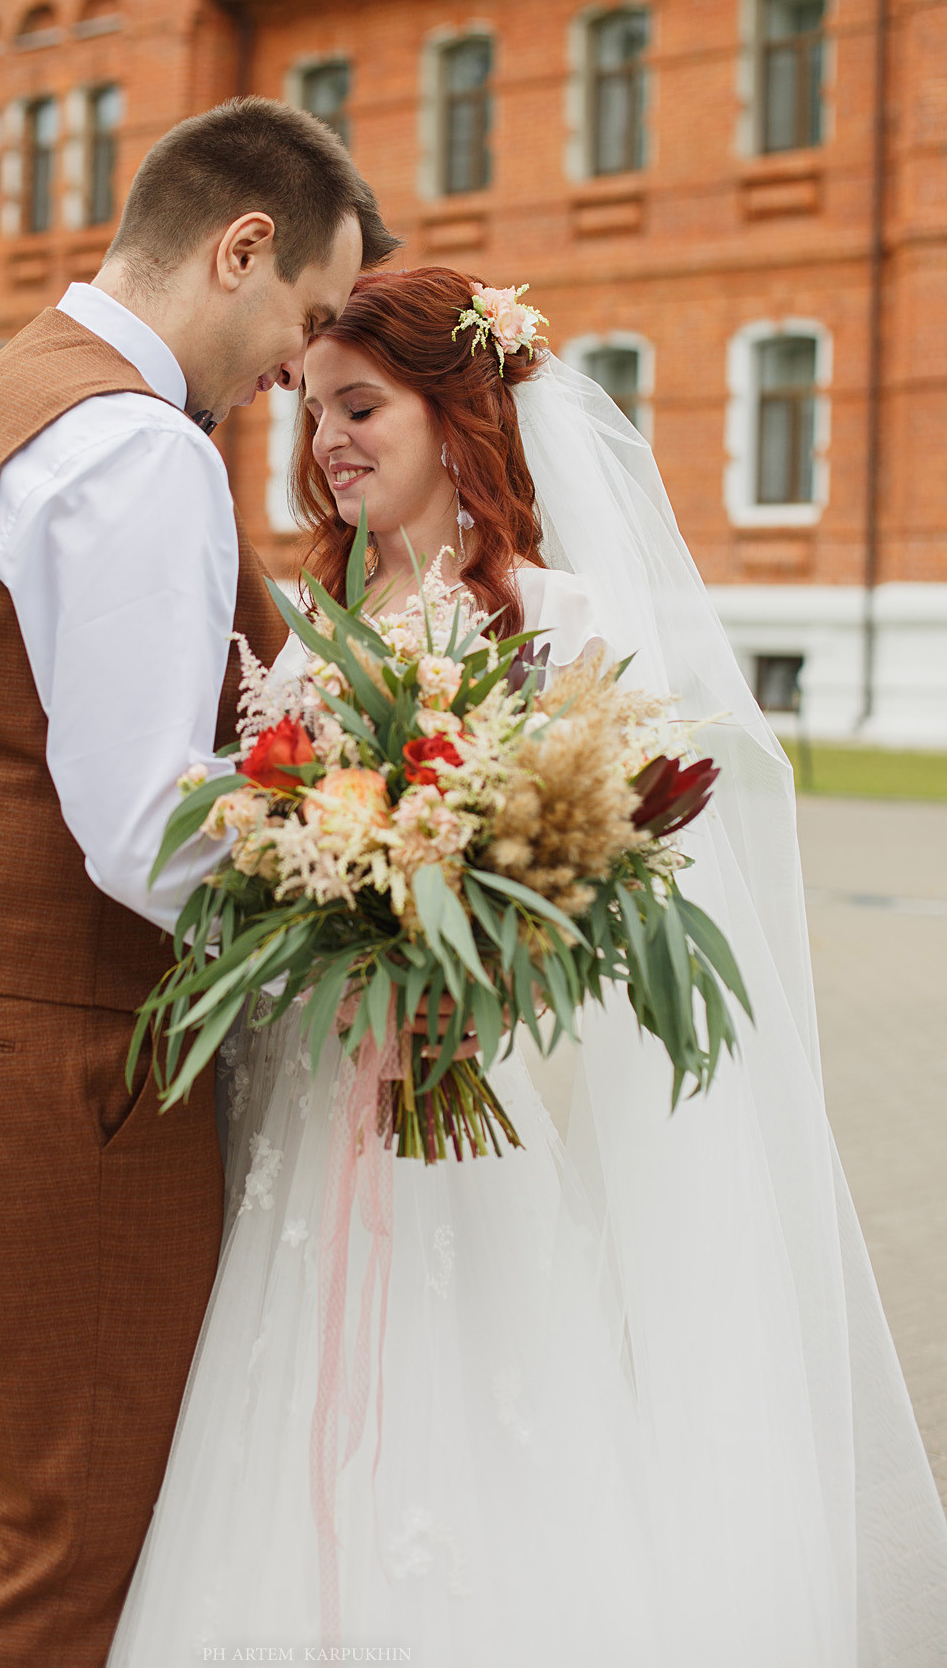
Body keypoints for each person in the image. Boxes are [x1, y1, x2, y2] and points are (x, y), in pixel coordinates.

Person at [107, 268, 947, 1667]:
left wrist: (470, 965)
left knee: (478, 1418)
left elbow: (621, 895)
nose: (327, 443)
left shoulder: (565, 623)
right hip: (307, 1115)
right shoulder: (310, 630)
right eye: (311, 412)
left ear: (460, 414)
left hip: (476, 1118)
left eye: (359, 406)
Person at [0, 97, 398, 1668]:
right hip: (59, 1048)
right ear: (240, 247)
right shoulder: (136, 449)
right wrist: (356, 927)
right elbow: (148, 824)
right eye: (300, 317)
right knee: (82, 1520)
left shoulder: (4, 395)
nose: (295, 368)